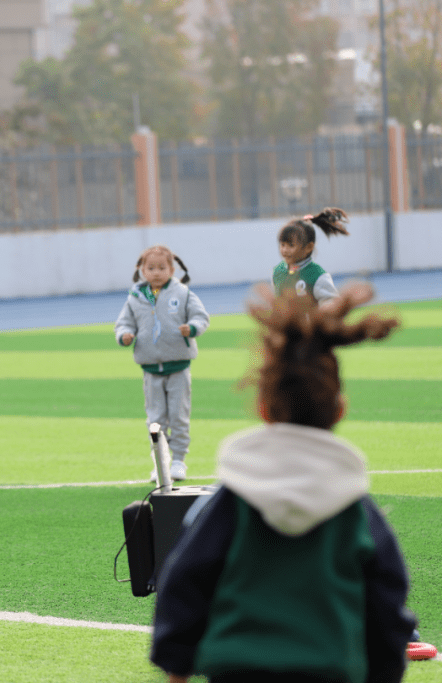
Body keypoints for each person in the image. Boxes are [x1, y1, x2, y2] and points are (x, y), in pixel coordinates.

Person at [150, 283, 415, 683]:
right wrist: (384, 671)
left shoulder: (230, 501)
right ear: (339, 408)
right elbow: (386, 600)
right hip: (330, 671)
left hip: (238, 671)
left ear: (262, 406)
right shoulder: (353, 509)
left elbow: (185, 579)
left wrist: (177, 666)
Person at [114, 246, 209, 482]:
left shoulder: (183, 293)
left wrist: (193, 328)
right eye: (151, 268)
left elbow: (201, 317)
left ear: (172, 269)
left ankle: (178, 460)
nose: (156, 273)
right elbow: (123, 323)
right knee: (155, 419)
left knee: (178, 415)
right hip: (150, 370)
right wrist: (125, 335)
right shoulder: (135, 298)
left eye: (162, 268)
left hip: (178, 367)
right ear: (142, 270)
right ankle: (160, 462)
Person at [273, 206, 349, 303]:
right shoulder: (278, 271)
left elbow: (333, 308)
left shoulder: (318, 276)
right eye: (282, 245)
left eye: (291, 245)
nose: (284, 250)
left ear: (308, 247)